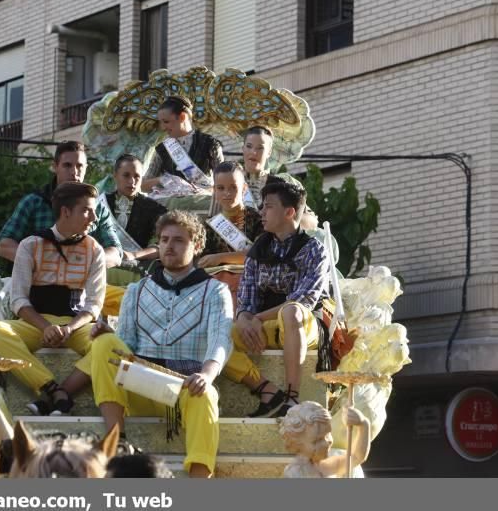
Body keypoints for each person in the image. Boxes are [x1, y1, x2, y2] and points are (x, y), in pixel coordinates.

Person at [86, 210, 234, 478]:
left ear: (197, 246)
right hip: (141, 381)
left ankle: (199, 486)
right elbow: (126, 344)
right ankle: (116, 443)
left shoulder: (216, 290)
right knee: (104, 342)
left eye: (178, 240)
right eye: (164, 240)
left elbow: (220, 340)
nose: (169, 246)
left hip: (182, 386)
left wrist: (206, 375)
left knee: (207, 395)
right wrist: (110, 334)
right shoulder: (137, 289)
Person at [0, 182, 106, 416]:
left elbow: (94, 304)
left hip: (76, 326)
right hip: (36, 324)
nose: (93, 217)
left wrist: (69, 328)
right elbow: (18, 300)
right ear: (66, 211)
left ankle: (59, 394)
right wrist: (46, 327)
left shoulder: (95, 249)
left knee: (112, 348)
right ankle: (49, 387)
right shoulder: (30, 244)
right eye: (87, 210)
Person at [222, 180, 330, 418]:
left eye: (268, 206)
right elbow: (246, 299)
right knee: (214, 332)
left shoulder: (314, 249)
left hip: (304, 325)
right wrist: (243, 318)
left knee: (291, 311)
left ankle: (292, 397)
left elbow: (304, 301)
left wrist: (255, 319)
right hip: (263, 325)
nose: (261, 212)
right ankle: (266, 390)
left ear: (290, 211)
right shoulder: (258, 250)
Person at [0, 140, 122, 269]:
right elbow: (3, 245)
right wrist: (39, 261)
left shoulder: (98, 208)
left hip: (82, 283)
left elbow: (116, 253)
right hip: (37, 284)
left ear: (86, 168)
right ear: (55, 166)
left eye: (80, 166)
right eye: (67, 165)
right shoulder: (33, 202)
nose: (74, 172)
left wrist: (85, 263)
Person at [199, 161, 264, 307]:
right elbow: (204, 262)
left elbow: (258, 255)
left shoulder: (259, 220)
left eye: (233, 187)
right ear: (214, 190)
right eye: (221, 188)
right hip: (217, 289)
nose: (227, 193)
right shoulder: (209, 226)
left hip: (252, 284)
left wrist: (220, 258)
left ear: (244, 189)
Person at [142, 96, 224, 192]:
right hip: (172, 204)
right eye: (161, 123)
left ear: (182, 117)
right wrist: (163, 180)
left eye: (166, 122)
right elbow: (143, 186)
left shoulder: (210, 144)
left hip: (203, 204)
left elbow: (224, 180)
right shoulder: (162, 149)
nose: (163, 128)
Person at [280, 401, 371, 478]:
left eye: (328, 434)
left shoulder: (331, 463)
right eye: (317, 441)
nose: (326, 442)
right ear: (296, 445)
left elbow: (357, 457)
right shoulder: (295, 473)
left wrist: (364, 424)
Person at [106, 154, 168, 265]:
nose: (132, 181)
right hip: (102, 261)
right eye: (126, 175)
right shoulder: (100, 203)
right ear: (115, 176)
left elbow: (161, 245)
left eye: (137, 176)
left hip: (137, 267)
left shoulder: (155, 209)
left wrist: (133, 255)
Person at [241, 126, 274, 208]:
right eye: (249, 146)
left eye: (260, 148)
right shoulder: (228, 179)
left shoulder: (279, 185)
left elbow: (308, 218)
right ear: (243, 148)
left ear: (269, 152)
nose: (253, 152)